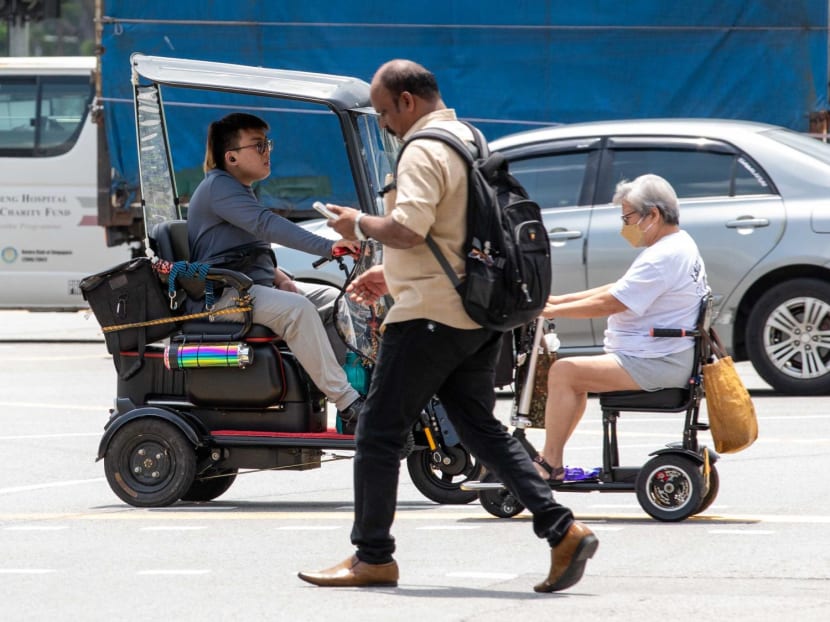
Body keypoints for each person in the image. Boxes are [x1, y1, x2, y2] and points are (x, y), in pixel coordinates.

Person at [297, 59, 598, 592]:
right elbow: (452, 234)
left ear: (407, 102)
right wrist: (388, 274)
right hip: (474, 314)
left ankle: (373, 557)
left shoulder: (423, 149)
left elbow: (409, 228)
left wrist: (357, 224)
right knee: (482, 429)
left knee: (378, 432)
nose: (385, 123)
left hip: (430, 318)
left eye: (385, 112)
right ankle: (562, 529)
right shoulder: (468, 138)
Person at [186, 112, 364, 432]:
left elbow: (252, 249)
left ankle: (340, 390)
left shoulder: (239, 190)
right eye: (258, 145)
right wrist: (330, 246)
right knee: (297, 310)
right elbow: (266, 225)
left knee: (334, 300)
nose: (267, 151)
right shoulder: (219, 188)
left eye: (268, 143)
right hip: (223, 298)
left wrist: (280, 277)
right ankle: (349, 404)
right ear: (232, 157)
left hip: (247, 289)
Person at [537, 174, 709, 481]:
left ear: (653, 215)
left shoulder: (662, 256)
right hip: (664, 355)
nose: (624, 227)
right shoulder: (678, 244)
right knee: (574, 376)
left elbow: (611, 303)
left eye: (628, 217)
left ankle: (550, 463)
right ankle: (553, 459)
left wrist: (555, 310)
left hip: (656, 362)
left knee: (565, 372)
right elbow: (618, 289)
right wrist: (558, 302)